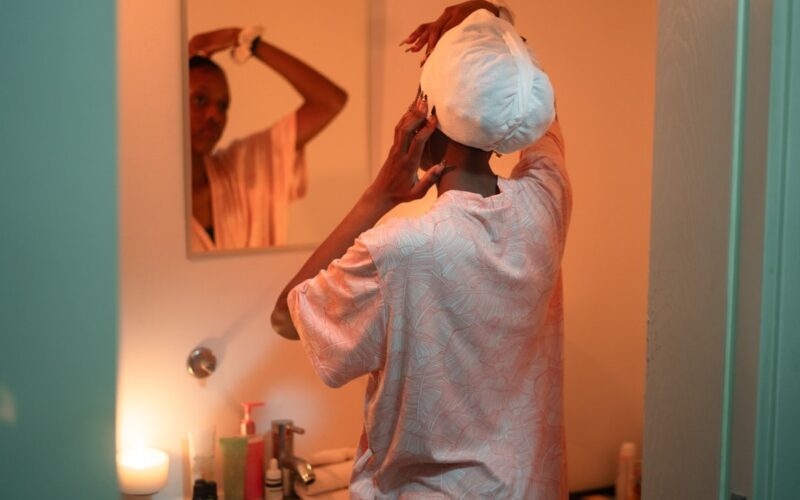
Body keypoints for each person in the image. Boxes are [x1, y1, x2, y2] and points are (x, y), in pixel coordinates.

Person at [272, 1, 571, 498]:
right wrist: (487, 15)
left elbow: (286, 317)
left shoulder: (399, 251)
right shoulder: (547, 201)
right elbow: (535, 103)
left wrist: (379, 195)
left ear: (427, 117)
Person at [188, 27, 347, 251]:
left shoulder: (243, 169)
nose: (215, 115)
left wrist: (242, 39)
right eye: (200, 99)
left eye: (223, 105)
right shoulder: (141, 197)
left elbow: (330, 102)